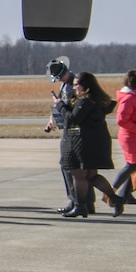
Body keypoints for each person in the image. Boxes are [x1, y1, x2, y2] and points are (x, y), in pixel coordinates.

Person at [62, 72, 126, 217]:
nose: (74, 88)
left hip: (86, 143)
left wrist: (61, 106)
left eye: (76, 85)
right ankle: (115, 199)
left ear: (85, 86)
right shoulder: (97, 100)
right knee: (91, 176)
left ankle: (81, 207)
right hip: (96, 142)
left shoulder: (85, 101)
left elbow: (73, 119)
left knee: (78, 174)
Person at [47, 58, 81, 214]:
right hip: (69, 129)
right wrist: (52, 121)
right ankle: (81, 201)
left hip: (73, 131)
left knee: (68, 166)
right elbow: (58, 105)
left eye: (60, 76)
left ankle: (76, 200)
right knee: (76, 168)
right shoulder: (65, 85)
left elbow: (67, 107)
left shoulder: (74, 86)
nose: (59, 79)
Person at [113, 70, 136, 203]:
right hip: (131, 137)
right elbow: (121, 120)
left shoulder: (134, 96)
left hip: (134, 135)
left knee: (135, 165)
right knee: (132, 165)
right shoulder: (128, 98)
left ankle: (125, 193)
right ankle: (112, 192)